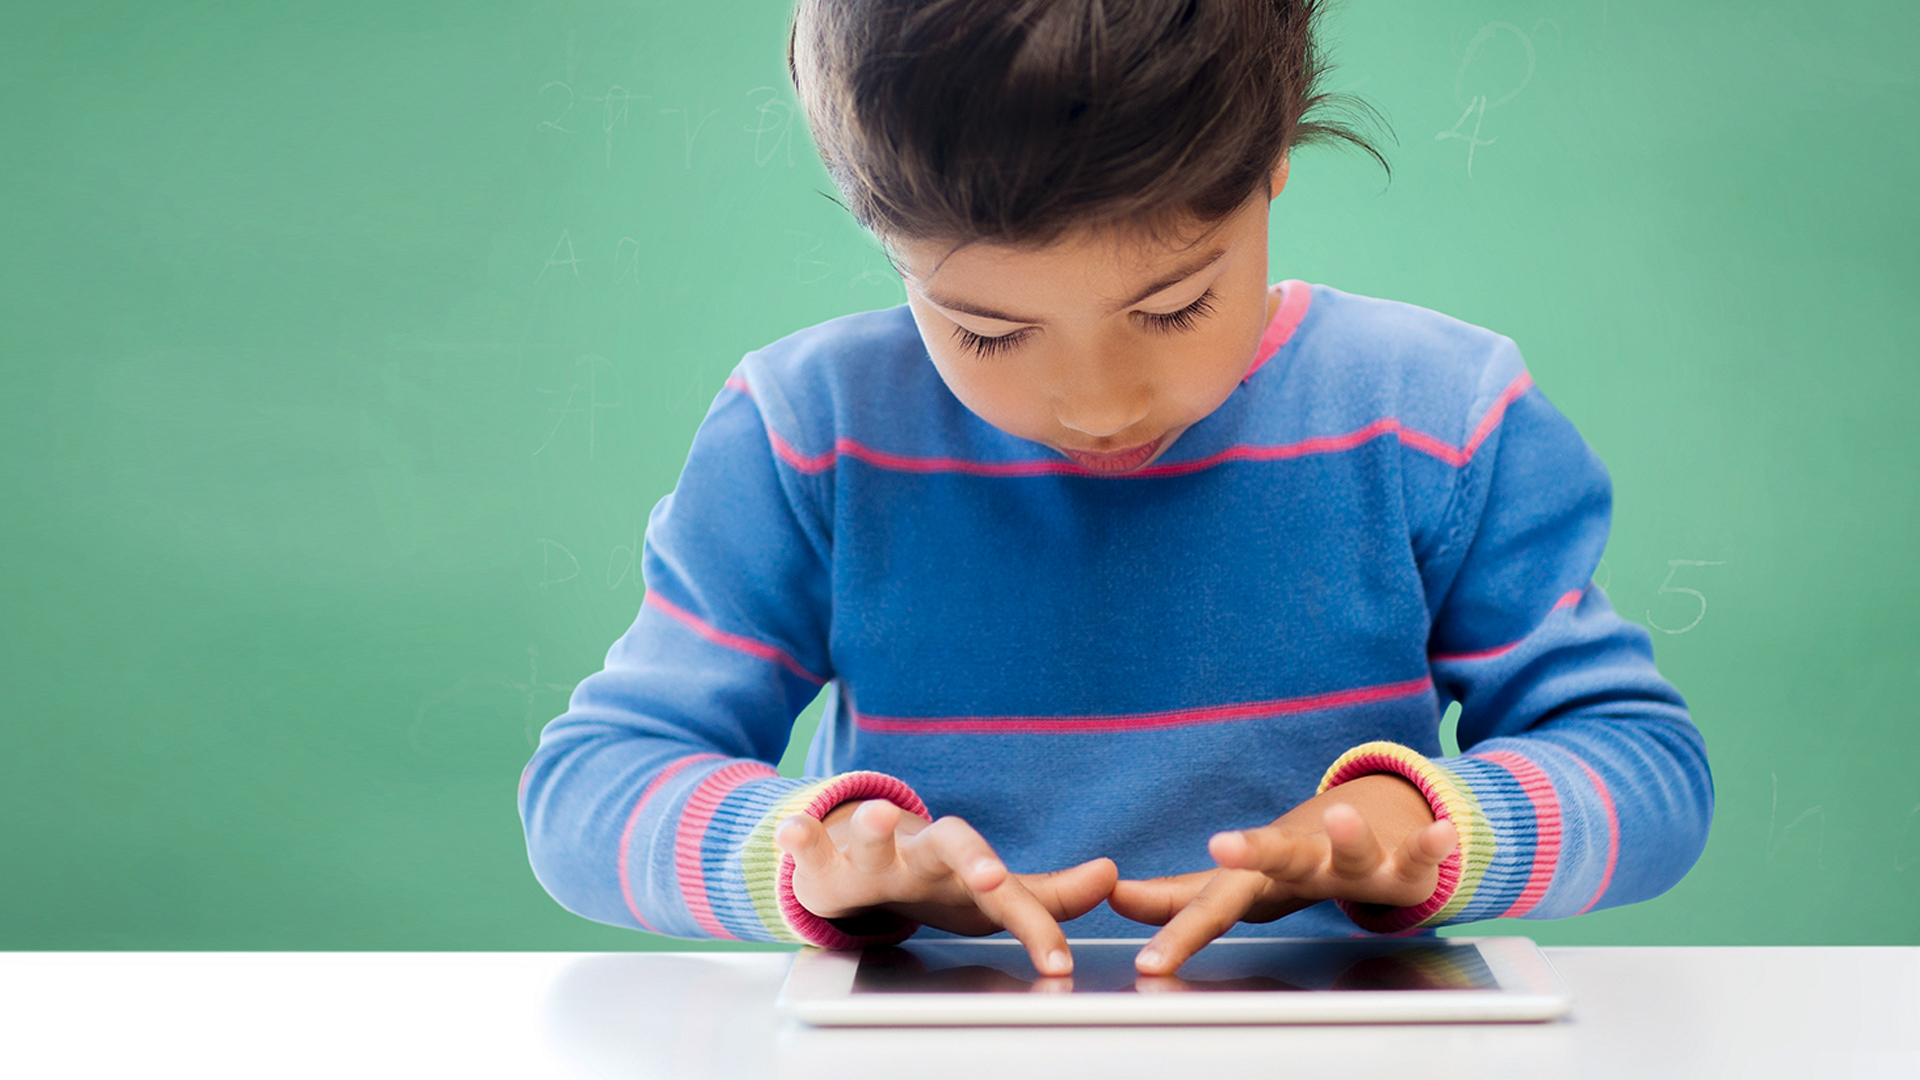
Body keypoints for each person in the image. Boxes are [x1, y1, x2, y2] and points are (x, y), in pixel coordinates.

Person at [518, 0, 1712, 979]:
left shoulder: (1439, 417)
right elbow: (589, 789)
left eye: (1174, 306)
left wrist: (1427, 833)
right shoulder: (811, 434)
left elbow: (1642, 767)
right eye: (988, 330)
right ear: (884, 237)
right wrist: (811, 854)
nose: (1095, 402)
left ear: (1274, 160)